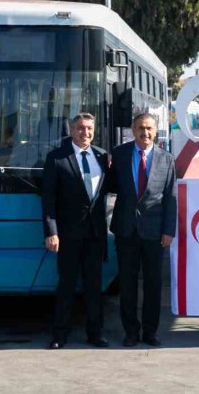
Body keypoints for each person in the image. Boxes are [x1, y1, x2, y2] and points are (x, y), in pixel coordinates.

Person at [104, 112, 177, 347]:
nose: (145, 133)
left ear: (155, 131)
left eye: (149, 129)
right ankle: (131, 332)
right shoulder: (120, 154)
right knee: (127, 284)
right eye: (140, 128)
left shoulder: (167, 159)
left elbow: (170, 198)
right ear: (133, 130)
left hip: (155, 233)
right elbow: (111, 186)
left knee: (153, 284)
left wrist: (169, 230)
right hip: (126, 231)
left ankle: (150, 331)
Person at [42, 112, 109, 349]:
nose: (85, 133)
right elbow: (48, 198)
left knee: (94, 286)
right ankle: (60, 334)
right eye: (80, 128)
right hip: (67, 236)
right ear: (71, 130)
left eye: (90, 128)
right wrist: (51, 231)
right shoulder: (57, 158)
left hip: (95, 235)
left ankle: (96, 333)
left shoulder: (102, 156)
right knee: (66, 286)